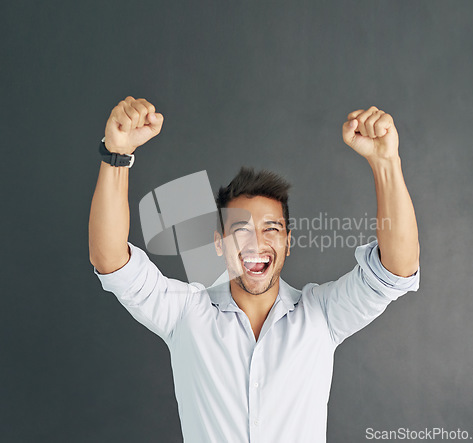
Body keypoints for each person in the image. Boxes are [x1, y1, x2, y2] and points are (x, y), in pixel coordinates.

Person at [89, 96, 420, 443]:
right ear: (219, 243)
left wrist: (386, 163)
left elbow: (396, 270)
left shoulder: (322, 315)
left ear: (288, 242)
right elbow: (110, 259)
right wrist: (116, 155)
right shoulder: (185, 314)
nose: (255, 243)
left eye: (271, 229)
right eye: (240, 230)